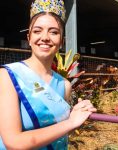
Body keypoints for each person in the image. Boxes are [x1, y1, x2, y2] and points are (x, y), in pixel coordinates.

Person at [0, 0, 97, 149]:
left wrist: (79, 113)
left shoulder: (64, 85)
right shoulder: (7, 76)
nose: (45, 37)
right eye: (37, 31)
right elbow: (13, 142)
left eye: (53, 32)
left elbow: (60, 132)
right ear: (29, 39)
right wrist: (71, 122)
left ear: (61, 41)